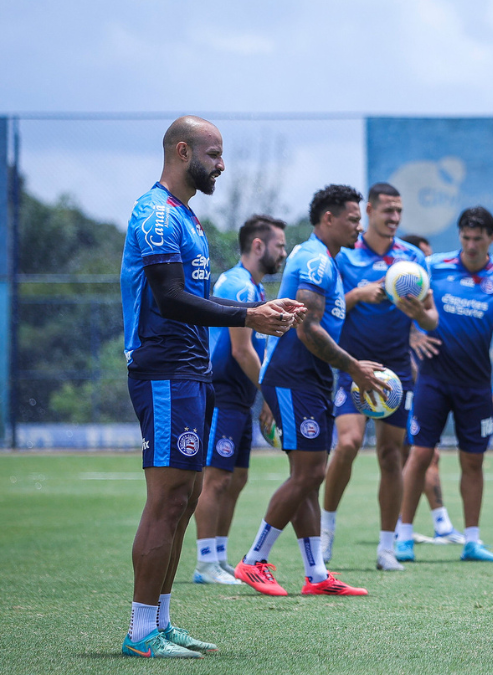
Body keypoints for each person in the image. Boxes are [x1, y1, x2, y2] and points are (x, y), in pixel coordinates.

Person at [120, 116, 302, 657]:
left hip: (192, 369)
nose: (222, 165)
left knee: (187, 496)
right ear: (183, 151)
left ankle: (162, 620)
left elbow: (204, 301)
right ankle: (140, 633)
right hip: (163, 367)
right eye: (214, 154)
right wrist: (249, 318)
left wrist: (258, 310)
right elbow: (171, 299)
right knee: (167, 498)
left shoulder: (188, 218)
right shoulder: (154, 215)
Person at [235, 184, 386, 597]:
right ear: (328, 220)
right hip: (294, 376)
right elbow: (307, 329)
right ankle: (253, 560)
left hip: (310, 379)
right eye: (354, 219)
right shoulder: (315, 260)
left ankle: (316, 575)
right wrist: (354, 367)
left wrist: (348, 366)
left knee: (307, 478)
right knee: (310, 473)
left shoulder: (327, 263)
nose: (360, 226)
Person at [395, 206, 493, 564]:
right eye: (466, 238)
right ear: (459, 236)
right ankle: (404, 536)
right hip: (433, 380)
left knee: (474, 461)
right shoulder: (434, 266)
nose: (471, 245)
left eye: (478, 239)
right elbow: (409, 306)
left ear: (491, 238)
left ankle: (472, 541)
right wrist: (411, 335)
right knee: (421, 454)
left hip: (476, 386)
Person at [319, 183, 439, 571]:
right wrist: (359, 294)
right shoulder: (346, 253)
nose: (394, 218)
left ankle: (387, 547)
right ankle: (326, 533)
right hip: (352, 366)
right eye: (387, 210)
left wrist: (417, 314)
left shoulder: (412, 259)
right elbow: (328, 308)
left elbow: (432, 318)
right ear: (369, 210)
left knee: (391, 456)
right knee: (350, 443)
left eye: (399, 211)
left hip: (396, 372)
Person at [192, 215, 289, 586]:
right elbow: (241, 351)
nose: (284, 251)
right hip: (224, 393)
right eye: (279, 245)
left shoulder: (256, 289)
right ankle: (205, 564)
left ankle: (218, 557)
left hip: (243, 395)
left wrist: (261, 394)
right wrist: (271, 392)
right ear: (258, 246)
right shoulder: (236, 284)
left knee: (237, 477)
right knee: (215, 478)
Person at [396, 232, 466, 543]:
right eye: (419, 258)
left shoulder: (426, 294)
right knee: (418, 454)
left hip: (417, 384)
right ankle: (421, 526)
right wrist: (410, 338)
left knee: (415, 454)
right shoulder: (396, 289)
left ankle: (418, 526)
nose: (424, 264)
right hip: (397, 383)